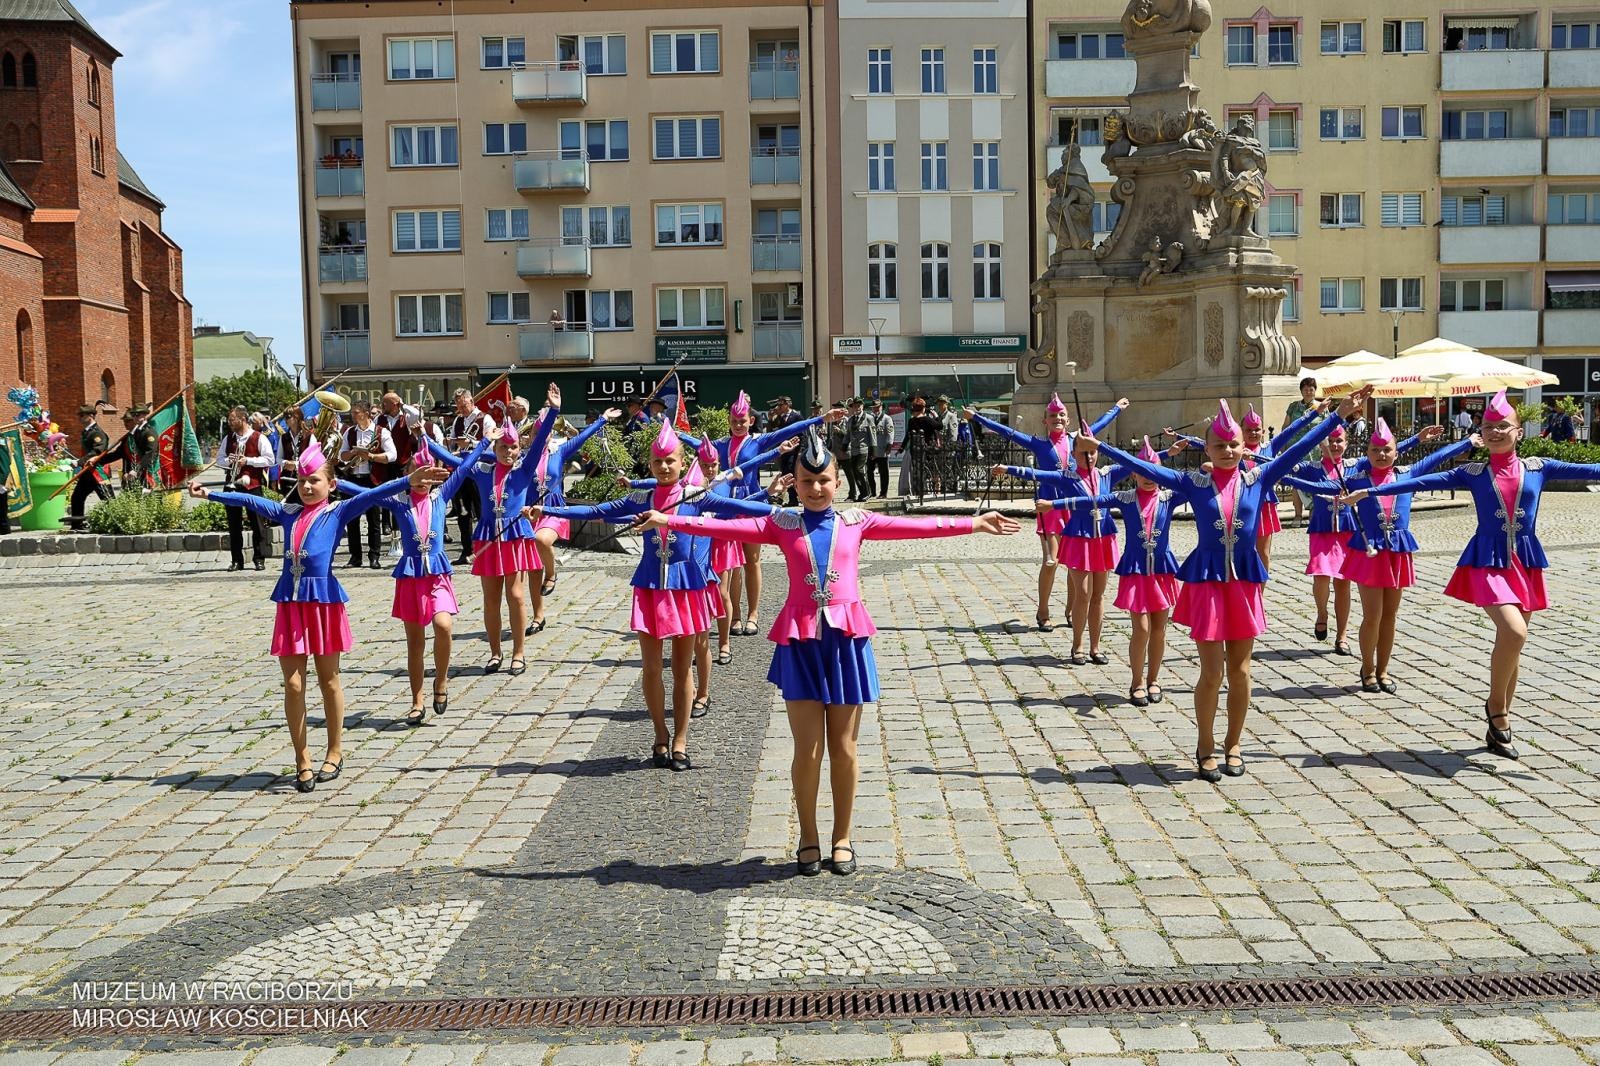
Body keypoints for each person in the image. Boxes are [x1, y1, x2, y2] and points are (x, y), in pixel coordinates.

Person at [637, 432, 1020, 874]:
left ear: (837, 481)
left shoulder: (859, 522)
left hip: (846, 644)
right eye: (806, 480)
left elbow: (917, 528)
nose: (816, 488)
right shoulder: (778, 524)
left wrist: (975, 523)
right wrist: (669, 522)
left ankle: (842, 837)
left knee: (845, 748)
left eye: (823, 479)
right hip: (800, 643)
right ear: (794, 484)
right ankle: (808, 837)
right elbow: (720, 525)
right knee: (807, 750)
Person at [1096, 390, 1367, 781]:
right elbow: (1151, 471)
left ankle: (1233, 744)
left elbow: (1298, 446)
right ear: (1206, 448)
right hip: (1207, 585)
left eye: (1234, 444)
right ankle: (1205, 745)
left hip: (1243, 585)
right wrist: (1100, 446)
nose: (1227, 450)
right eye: (1219, 444)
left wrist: (1337, 416)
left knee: (1241, 672)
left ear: (1244, 447)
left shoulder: (1259, 477)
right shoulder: (1193, 482)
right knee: (1211, 673)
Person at [1338, 389, 1600, 759]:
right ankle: (1496, 709)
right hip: (1487, 560)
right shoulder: (1473, 472)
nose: (1494, 432)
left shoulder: (1540, 467)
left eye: (1503, 426)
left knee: (1514, 643)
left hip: (1524, 561)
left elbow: (1593, 471)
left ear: (1519, 432)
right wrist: (1368, 492)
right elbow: (1419, 481)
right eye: (1488, 426)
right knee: (1514, 630)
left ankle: (1499, 724)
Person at [533, 419, 776, 771]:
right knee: (650, 669)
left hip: (687, 589)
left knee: (681, 669)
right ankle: (660, 735)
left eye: (671, 461)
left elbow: (740, 513)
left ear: (681, 463)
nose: (664, 467)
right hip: (650, 589)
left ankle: (681, 740)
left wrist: (779, 508)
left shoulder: (697, 497)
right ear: (650, 464)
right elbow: (597, 511)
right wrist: (551, 510)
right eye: (658, 462)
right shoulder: (641, 497)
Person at [187, 437, 425, 792]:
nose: (307, 487)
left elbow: (373, 495)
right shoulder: (289, 513)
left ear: (330, 485)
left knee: (329, 681)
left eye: (314, 480)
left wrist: (408, 480)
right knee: (294, 683)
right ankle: (302, 759)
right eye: (302, 482)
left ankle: (335, 749)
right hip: (291, 606)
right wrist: (211, 494)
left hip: (323, 604)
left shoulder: (337, 511)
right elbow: (252, 499)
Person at [1289, 419, 1473, 693]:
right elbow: (1321, 488)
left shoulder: (1408, 474)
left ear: (1396, 452)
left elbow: (1437, 457)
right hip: (1369, 554)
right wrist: (1279, 476)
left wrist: (1469, 442)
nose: (1381, 454)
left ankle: (1384, 669)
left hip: (1397, 552)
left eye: (1386, 449)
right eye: (1375, 450)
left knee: (1390, 615)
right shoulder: (1357, 480)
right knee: (1372, 615)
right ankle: (1368, 669)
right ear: (1367, 453)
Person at [347, 435, 489, 726]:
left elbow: (464, 468)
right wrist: (337, 484)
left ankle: (441, 681)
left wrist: (486, 442)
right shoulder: (400, 501)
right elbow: (367, 495)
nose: (423, 480)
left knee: (443, 625)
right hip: (411, 577)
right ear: (410, 474)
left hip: (436, 575)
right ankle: (417, 699)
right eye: (417, 473)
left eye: (428, 473)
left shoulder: (441, 496)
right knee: (415, 643)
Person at [1035, 437, 1181, 706]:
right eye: (1143, 471)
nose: (1149, 477)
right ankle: (1137, 681)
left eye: (1154, 471)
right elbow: (1090, 501)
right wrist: (1053, 505)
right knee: (1141, 628)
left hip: (1162, 571)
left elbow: (1200, 487)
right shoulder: (1125, 498)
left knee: (1160, 629)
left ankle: (1154, 679)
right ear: (1134, 473)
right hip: (1137, 572)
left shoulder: (1169, 498)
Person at [963, 394, 1127, 630]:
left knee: (1074, 564)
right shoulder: (1039, 444)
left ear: (1068, 420)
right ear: (1044, 421)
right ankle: (1043, 610)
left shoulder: (1075, 440)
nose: (1057, 418)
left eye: (1061, 415)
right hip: (1049, 507)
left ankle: (1072, 610)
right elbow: (1008, 433)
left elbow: (1100, 424)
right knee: (1051, 561)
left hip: (1075, 506)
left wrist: (1117, 409)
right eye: (1052, 415)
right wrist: (977, 417)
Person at [432, 384, 559, 675]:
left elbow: (538, 443)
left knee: (515, 596)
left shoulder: (524, 470)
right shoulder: (482, 470)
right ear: (496, 448)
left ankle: (518, 652)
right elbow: (454, 461)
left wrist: (553, 411)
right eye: (503, 447)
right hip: (488, 538)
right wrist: (424, 437)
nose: (509, 452)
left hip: (514, 537)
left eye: (513, 447)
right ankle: (495, 652)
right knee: (491, 600)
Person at [709, 391, 839, 637]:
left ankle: (753, 614)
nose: (738, 425)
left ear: (751, 420)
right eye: (734, 421)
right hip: (726, 506)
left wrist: (821, 419)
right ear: (728, 421)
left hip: (752, 504)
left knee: (751, 561)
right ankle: (735, 614)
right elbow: (696, 445)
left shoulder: (757, 441)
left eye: (742, 420)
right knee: (731, 565)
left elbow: (789, 430)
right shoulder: (721, 444)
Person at [529, 406, 621, 606]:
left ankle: (552, 573)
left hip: (553, 511)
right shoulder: (523, 458)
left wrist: (602, 418)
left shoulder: (558, 452)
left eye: (545, 432)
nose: (541, 436)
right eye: (537, 432)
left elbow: (582, 437)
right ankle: (538, 615)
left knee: (542, 540)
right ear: (531, 435)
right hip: (530, 514)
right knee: (533, 569)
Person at [216, 405, 276, 572]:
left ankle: (259, 559)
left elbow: (269, 460)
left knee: (257, 523)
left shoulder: (259, 437)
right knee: (233, 524)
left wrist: (248, 461)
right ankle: (237, 561)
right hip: (232, 484)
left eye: (232, 420)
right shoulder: (228, 438)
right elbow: (219, 460)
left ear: (242, 419)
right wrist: (229, 460)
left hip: (253, 485)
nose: (230, 423)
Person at [339, 399, 397, 569]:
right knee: (352, 519)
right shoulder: (349, 432)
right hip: (353, 478)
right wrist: (353, 453)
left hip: (372, 479)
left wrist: (371, 457)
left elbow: (392, 455)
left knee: (373, 520)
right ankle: (355, 557)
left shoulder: (381, 432)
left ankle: (374, 556)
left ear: (365, 413)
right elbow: (341, 455)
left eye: (356, 412)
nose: (353, 415)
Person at [447, 388, 495, 564]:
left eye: (464, 405)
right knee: (463, 512)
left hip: (480, 471)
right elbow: (452, 445)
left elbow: (492, 444)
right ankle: (467, 550)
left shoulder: (485, 418)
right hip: (462, 471)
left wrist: (473, 443)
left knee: (483, 510)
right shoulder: (458, 421)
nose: (462, 409)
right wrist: (453, 445)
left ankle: (486, 549)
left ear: (471, 401)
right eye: (459, 406)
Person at [1281, 377, 1320, 528]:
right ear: (1301, 391)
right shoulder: (1293, 407)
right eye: (1305, 389)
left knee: (1313, 483)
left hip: (1314, 452)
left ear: (1315, 390)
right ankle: (1297, 515)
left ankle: (1312, 513)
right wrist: (1283, 447)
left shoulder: (1320, 407)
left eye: (1311, 389)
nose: (1308, 392)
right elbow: (1286, 427)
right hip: (1295, 450)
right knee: (1296, 484)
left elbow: (1328, 428)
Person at [67, 404, 112, 530]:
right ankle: (77, 525)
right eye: (79, 415)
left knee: (108, 499)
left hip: (98, 472)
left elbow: (98, 450)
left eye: (82, 415)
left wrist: (80, 462)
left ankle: (116, 523)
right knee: (77, 497)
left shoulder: (97, 432)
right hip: (88, 472)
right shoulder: (87, 432)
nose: (80, 417)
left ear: (91, 415)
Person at [867, 399, 894, 499]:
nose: (875, 409)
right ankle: (872, 492)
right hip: (872, 450)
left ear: (881, 407)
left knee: (884, 473)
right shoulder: (869, 418)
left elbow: (890, 432)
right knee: (869, 472)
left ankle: (883, 493)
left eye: (877, 407)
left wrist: (889, 445)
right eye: (874, 408)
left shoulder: (887, 419)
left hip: (882, 449)